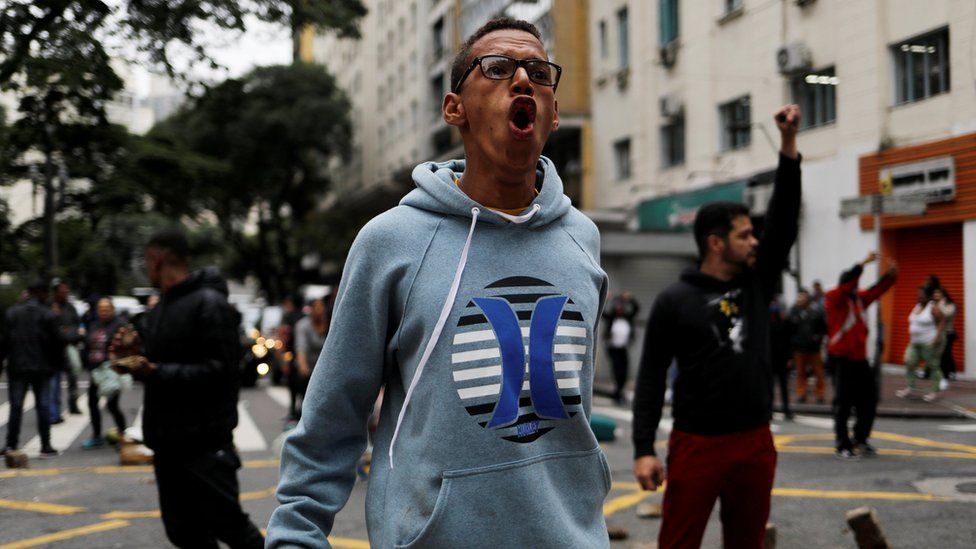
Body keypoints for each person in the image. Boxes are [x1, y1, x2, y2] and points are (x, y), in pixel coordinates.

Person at [267, 18, 610, 548]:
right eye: (497, 69)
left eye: (539, 73)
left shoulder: (581, 239)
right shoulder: (392, 240)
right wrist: (295, 534)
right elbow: (335, 411)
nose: (522, 81)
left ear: (554, 112)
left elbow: (573, 408)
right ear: (455, 109)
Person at [632, 105, 802, 548]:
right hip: (697, 444)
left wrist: (787, 145)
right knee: (678, 541)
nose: (755, 241)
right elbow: (650, 377)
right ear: (715, 242)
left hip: (754, 441)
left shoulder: (757, 284)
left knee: (746, 543)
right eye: (745, 235)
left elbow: (783, 221)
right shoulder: (675, 300)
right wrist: (644, 449)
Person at [111, 230, 264, 548]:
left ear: (158, 260)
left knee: (232, 528)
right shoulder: (161, 308)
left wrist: (156, 370)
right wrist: (130, 356)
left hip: (204, 443)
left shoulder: (209, 304)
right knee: (183, 532)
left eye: (147, 261)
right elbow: (153, 361)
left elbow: (221, 371)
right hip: (167, 443)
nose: (146, 268)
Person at [824, 252, 897, 459]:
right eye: (853, 283)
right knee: (843, 403)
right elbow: (848, 285)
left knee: (869, 400)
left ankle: (861, 439)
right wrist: (862, 264)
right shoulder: (834, 298)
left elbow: (877, 290)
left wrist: (890, 276)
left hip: (859, 360)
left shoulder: (858, 299)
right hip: (841, 359)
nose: (856, 287)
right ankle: (842, 443)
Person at [1, 279, 62, 458]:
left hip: (17, 367)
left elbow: (4, 342)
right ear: (43, 294)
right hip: (42, 369)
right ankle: (45, 445)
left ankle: (11, 444)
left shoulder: (12, 313)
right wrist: (55, 365)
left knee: (16, 407)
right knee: (43, 406)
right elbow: (56, 343)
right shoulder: (48, 315)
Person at [80, 298, 127, 449]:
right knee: (92, 402)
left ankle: (122, 436)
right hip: (96, 370)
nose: (103, 311)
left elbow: (128, 344)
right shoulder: (95, 324)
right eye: (101, 309)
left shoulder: (120, 324)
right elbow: (88, 343)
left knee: (112, 405)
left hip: (112, 371)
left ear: (112, 309)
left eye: (106, 308)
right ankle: (96, 436)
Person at [896, 287, 946, 402]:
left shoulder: (932, 308)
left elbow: (942, 321)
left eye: (922, 295)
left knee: (933, 367)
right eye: (918, 295)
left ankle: (934, 392)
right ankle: (910, 388)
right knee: (909, 362)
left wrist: (937, 337)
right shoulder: (917, 307)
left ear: (928, 297)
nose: (919, 297)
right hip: (914, 343)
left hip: (928, 343)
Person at [291, 296, 332, 417]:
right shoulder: (303, 325)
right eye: (316, 307)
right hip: (308, 369)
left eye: (321, 306)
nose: (319, 310)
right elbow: (301, 348)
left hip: (326, 370)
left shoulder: (332, 324)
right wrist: (303, 366)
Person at [49, 279, 83, 421]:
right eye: (62, 291)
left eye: (67, 291)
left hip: (70, 346)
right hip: (55, 350)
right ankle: (54, 411)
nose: (65, 293)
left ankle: (73, 403)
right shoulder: (50, 306)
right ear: (56, 292)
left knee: (73, 377)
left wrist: (72, 334)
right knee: (54, 383)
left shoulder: (70, 307)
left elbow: (76, 325)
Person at [789, 288, 827, 404]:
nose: (800, 299)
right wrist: (794, 342)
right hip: (800, 348)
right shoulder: (794, 312)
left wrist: (818, 338)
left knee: (818, 372)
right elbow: (790, 329)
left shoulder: (816, 313)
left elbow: (823, 328)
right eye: (799, 297)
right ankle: (802, 394)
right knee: (800, 373)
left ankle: (820, 394)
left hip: (813, 348)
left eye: (802, 297)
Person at [603, 291, 640, 404]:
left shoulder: (628, 318)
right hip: (613, 348)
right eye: (618, 307)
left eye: (622, 308)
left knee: (624, 371)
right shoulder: (611, 318)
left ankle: (618, 393)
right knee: (617, 370)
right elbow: (602, 312)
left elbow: (636, 309)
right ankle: (618, 394)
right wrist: (607, 299)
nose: (620, 309)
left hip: (623, 349)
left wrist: (630, 299)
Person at [278, 293, 304, 419]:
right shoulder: (305, 317)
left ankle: (294, 411)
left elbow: (284, 339)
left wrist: (284, 360)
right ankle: (299, 411)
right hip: (302, 355)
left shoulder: (288, 318)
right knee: (302, 386)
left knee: (293, 385)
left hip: (294, 355)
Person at [769, 295, 794, 419]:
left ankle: (786, 408)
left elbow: (789, 341)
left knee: (783, 385)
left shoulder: (785, 323)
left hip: (782, 357)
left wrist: (790, 358)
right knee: (770, 385)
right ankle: (770, 409)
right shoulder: (767, 324)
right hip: (771, 357)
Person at [932, 288, 957, 388]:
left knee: (945, 355)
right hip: (938, 333)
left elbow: (947, 314)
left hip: (948, 333)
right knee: (943, 355)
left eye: (938, 292)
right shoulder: (933, 304)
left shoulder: (950, 305)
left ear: (944, 295)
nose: (935, 294)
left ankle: (945, 378)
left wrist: (941, 304)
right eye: (935, 292)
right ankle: (950, 372)